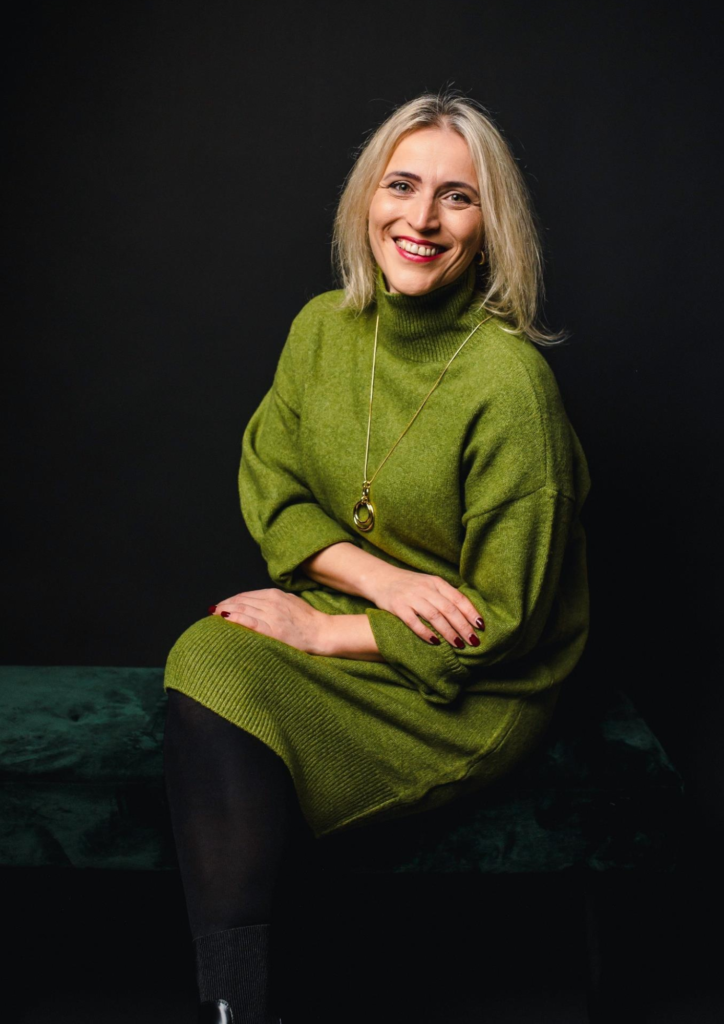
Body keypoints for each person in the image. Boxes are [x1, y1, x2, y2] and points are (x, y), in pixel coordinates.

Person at [162, 87, 591, 1024]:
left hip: (471, 690)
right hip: (370, 621)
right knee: (207, 656)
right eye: (402, 185)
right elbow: (273, 487)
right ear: (368, 199)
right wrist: (381, 581)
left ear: (491, 225)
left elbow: (505, 625)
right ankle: (233, 1010)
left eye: (457, 197)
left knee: (239, 685)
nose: (422, 219)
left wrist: (324, 635)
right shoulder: (322, 329)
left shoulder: (511, 387)